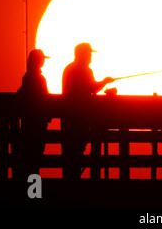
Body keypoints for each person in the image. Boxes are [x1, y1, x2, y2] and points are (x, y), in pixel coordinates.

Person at [62, 43, 114, 179]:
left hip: (68, 118)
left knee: (70, 152)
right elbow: (91, 88)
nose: (91, 56)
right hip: (80, 118)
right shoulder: (84, 70)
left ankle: (70, 180)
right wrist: (104, 82)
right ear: (83, 54)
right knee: (78, 150)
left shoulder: (68, 69)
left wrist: (103, 82)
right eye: (89, 53)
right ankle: (75, 181)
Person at [16, 49, 50, 180]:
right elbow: (43, 99)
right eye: (42, 59)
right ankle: (34, 193)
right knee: (35, 160)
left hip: (29, 123)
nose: (43, 62)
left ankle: (32, 192)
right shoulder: (38, 78)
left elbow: (21, 96)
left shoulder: (27, 77)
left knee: (30, 160)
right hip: (37, 124)